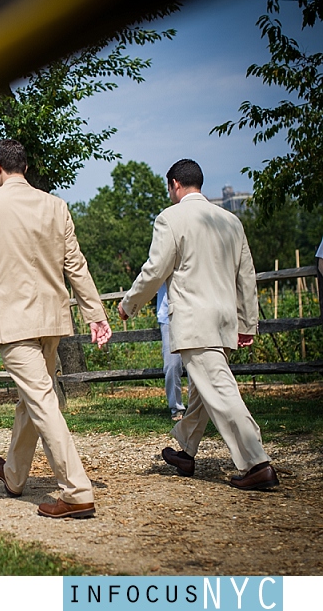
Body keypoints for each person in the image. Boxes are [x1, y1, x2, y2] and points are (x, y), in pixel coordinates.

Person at [0, 139, 112, 519]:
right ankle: (14, 475)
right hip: (52, 321)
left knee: (42, 401)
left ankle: (77, 492)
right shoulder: (56, 206)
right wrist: (95, 314)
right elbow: (76, 265)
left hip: (14, 324)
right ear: (25, 168)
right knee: (34, 399)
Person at [118, 159, 278, 491]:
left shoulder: (170, 218)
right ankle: (186, 452)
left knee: (220, 391)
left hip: (194, 320)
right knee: (203, 392)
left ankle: (257, 463)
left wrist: (128, 304)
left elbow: (155, 269)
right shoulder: (231, 220)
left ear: (175, 184)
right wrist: (247, 322)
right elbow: (245, 276)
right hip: (224, 320)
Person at [157, 281, 186, 421]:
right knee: (171, 365)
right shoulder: (161, 258)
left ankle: (197, 408)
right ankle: (176, 408)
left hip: (193, 315)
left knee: (197, 365)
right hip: (167, 317)